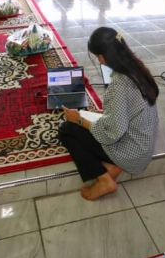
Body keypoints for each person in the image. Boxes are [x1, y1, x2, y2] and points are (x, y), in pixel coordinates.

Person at [59, 27, 159, 201]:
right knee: (94, 118)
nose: (98, 60)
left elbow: (113, 132)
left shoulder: (119, 84)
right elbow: (128, 110)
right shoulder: (137, 67)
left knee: (67, 129)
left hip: (131, 153)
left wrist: (80, 120)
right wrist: (101, 115)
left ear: (102, 56)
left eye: (97, 56)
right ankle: (113, 166)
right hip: (143, 144)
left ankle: (104, 180)